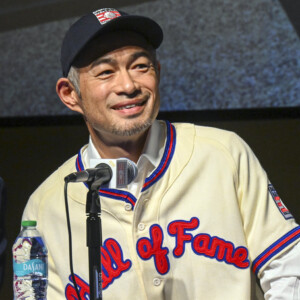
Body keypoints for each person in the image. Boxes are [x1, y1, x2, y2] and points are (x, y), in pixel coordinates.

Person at [22, 8, 300, 299]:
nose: (128, 85)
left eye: (141, 66)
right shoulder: (44, 207)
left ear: (159, 72)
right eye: (105, 72)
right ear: (70, 94)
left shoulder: (223, 153)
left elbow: (287, 265)